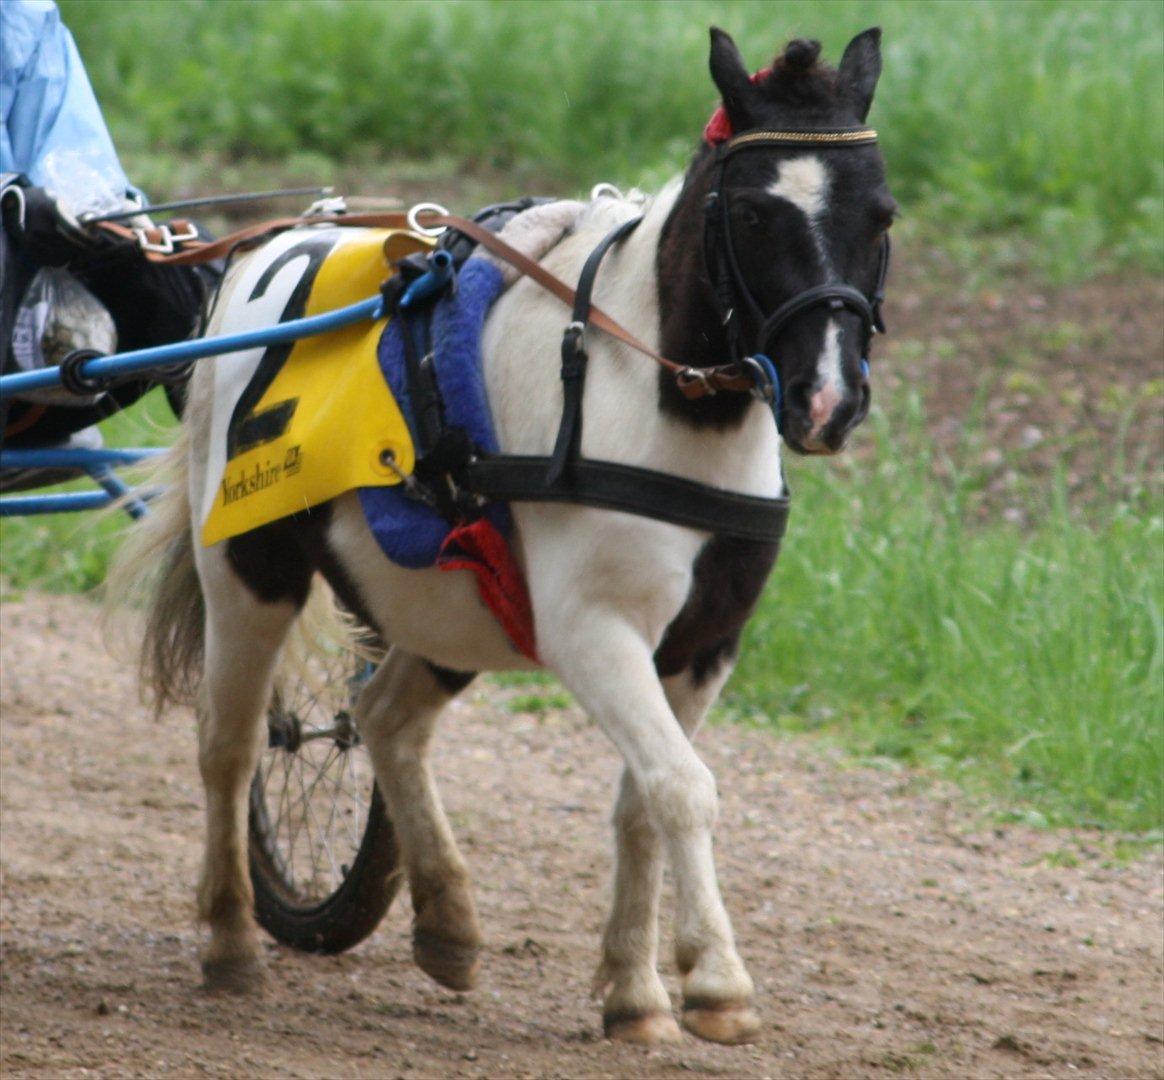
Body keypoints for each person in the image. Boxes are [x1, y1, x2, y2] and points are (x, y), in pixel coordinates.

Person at [1, 0, 214, 452]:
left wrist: (111, 217)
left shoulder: (24, 16)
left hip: (25, 360)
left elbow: (80, 166)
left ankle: (234, 493)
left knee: (186, 266)